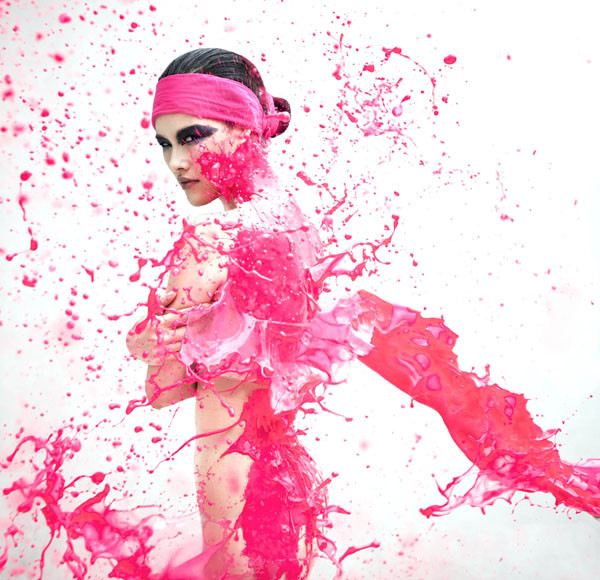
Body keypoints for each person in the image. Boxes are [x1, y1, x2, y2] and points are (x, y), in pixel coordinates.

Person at [127, 48, 600, 580]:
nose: (177, 162)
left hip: (232, 491)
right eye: (165, 143)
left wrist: (146, 339)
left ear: (243, 128)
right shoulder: (293, 221)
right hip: (286, 487)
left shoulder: (213, 245)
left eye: (192, 136)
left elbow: (162, 391)